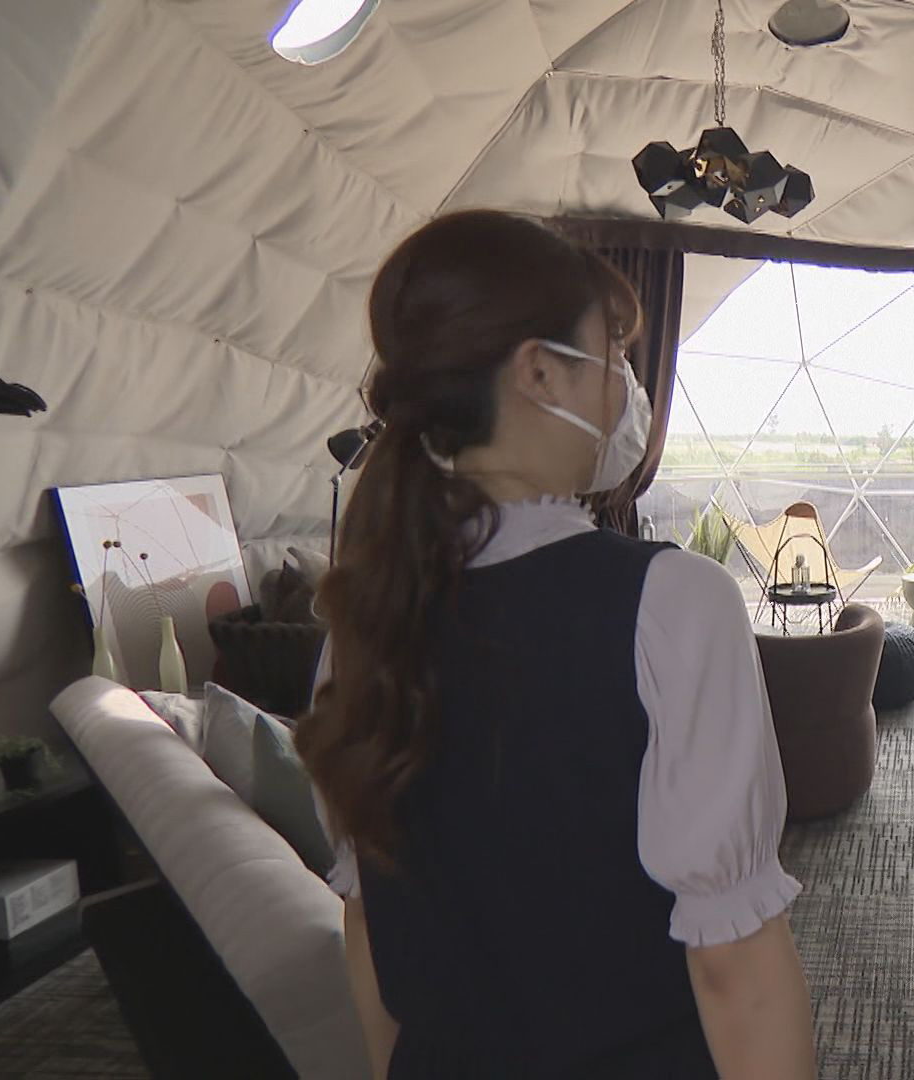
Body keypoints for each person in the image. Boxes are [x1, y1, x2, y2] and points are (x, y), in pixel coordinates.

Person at [298, 209, 816, 1079]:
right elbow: (737, 970)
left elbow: (367, 927)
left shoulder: (363, 622)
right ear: (538, 372)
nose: (627, 391)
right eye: (614, 358)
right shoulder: (672, 603)